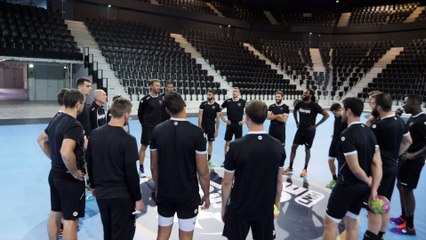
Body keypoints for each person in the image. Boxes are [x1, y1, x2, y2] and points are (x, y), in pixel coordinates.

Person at [150, 92, 211, 240]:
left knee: (162, 234)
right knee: (186, 236)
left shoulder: (157, 130)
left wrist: (158, 188)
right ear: (184, 103)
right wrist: (206, 195)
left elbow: (153, 166)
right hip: (187, 194)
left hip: (165, 192)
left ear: (167, 110)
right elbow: (203, 171)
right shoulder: (197, 133)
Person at [221, 100, 284, 240]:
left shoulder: (236, 146)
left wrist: (224, 207)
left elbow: (227, 182)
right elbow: (279, 181)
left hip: (239, 208)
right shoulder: (277, 146)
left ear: (247, 117)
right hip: (265, 207)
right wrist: (277, 202)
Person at [323, 97, 382, 240]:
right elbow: (377, 164)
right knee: (351, 223)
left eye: (343, 109)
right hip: (361, 188)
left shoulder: (347, 135)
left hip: (346, 186)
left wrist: (369, 182)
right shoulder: (369, 132)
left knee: (330, 224)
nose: (341, 112)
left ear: (348, 111)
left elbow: (355, 168)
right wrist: (373, 188)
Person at [86, 97, 144, 240]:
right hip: (121, 196)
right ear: (126, 115)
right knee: (123, 234)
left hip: (101, 194)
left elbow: (89, 162)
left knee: (108, 231)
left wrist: (92, 185)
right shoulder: (128, 140)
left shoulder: (94, 134)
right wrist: (137, 198)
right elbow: (131, 173)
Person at [37, 89, 86, 240]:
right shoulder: (74, 125)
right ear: (78, 104)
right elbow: (66, 152)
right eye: (83, 103)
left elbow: (41, 140)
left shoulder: (56, 118)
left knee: (55, 214)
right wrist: (73, 172)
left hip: (54, 174)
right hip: (68, 180)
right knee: (71, 221)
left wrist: (54, 158)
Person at [362, 93, 412, 240]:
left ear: (378, 107)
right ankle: (381, 235)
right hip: (392, 166)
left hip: (379, 169)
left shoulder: (379, 125)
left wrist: (369, 122)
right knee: (384, 201)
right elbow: (408, 141)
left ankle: (372, 236)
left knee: (374, 205)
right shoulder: (399, 121)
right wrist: (396, 154)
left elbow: (363, 138)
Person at [390, 95, 426, 236]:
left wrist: (414, 155)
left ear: (414, 102)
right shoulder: (413, 117)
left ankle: (410, 227)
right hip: (405, 160)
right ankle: (404, 217)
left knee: (407, 190)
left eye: (406, 103)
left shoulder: (423, 120)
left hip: (414, 161)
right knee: (401, 187)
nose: (403, 105)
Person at [284, 89, 329, 177]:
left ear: (311, 95)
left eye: (306, 93)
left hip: (310, 131)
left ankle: (305, 169)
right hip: (300, 130)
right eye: (304, 92)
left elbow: (326, 115)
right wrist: (297, 121)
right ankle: (290, 167)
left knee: (307, 150)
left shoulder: (315, 106)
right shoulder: (299, 103)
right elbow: (294, 111)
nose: (304, 94)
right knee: (293, 147)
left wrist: (316, 125)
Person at [138, 79, 162, 177]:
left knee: (159, 148)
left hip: (159, 128)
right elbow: (140, 114)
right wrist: (145, 124)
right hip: (148, 127)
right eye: (156, 85)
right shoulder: (145, 99)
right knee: (144, 147)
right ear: (151, 86)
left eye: (159, 85)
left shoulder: (161, 98)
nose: (158, 87)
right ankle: (141, 168)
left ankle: (159, 167)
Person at [220, 87, 246, 165]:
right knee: (228, 142)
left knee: (239, 143)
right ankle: (226, 159)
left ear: (239, 93)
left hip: (238, 125)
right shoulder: (228, 101)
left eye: (236, 91)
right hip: (230, 125)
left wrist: (244, 121)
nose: (234, 92)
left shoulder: (243, 102)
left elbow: (249, 112)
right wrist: (224, 120)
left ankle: (238, 159)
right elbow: (219, 110)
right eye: (233, 91)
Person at [325, 103, 347, 189]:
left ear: (340, 110)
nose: (334, 115)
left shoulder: (346, 118)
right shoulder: (336, 116)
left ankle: (340, 181)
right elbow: (335, 121)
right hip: (334, 141)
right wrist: (334, 133)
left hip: (342, 143)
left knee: (340, 163)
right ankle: (334, 178)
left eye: (335, 113)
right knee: (330, 160)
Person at [198, 89, 221, 167]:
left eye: (210, 95)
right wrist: (199, 126)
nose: (208, 96)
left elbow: (218, 118)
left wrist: (217, 130)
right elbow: (200, 115)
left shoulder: (217, 106)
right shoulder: (203, 104)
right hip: (203, 126)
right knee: (202, 142)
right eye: (207, 94)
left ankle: (209, 159)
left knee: (210, 143)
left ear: (213, 95)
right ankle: (201, 159)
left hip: (211, 127)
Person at [267, 90, 289, 165]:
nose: (277, 98)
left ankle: (281, 165)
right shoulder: (271, 106)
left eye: (278, 97)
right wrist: (278, 115)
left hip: (281, 132)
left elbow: (284, 120)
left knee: (281, 149)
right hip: (272, 131)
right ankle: (271, 164)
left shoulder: (285, 107)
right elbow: (268, 117)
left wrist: (273, 116)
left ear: (282, 97)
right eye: (276, 96)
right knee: (270, 148)